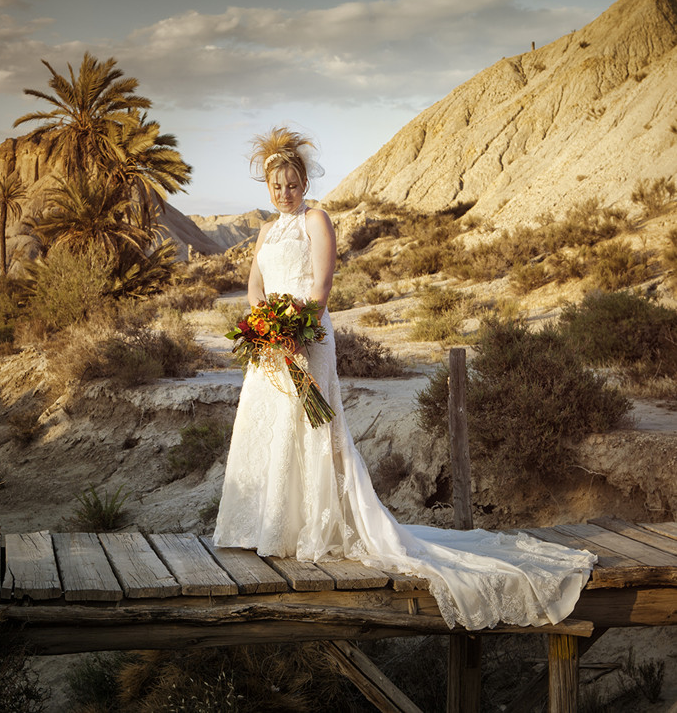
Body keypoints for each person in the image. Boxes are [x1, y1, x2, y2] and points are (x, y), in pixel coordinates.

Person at [212, 127, 595, 630]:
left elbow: (323, 285)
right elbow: (255, 285)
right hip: (271, 343)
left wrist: (295, 332)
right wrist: (264, 328)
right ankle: (269, 524)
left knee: (311, 423)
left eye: (291, 184)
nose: (284, 193)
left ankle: (311, 527)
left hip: (307, 333)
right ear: (267, 188)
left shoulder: (316, 219)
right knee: (269, 422)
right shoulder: (264, 232)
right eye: (275, 186)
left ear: (303, 181)